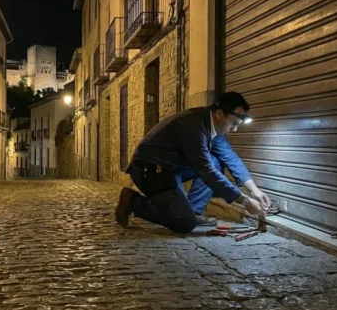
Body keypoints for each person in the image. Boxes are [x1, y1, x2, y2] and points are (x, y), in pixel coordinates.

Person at [115, 91, 270, 233]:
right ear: (219, 113)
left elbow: (230, 157)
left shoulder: (212, 126)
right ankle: (133, 201)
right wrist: (244, 201)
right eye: (233, 124)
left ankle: (193, 212)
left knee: (217, 161)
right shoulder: (194, 126)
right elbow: (206, 170)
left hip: (171, 168)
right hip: (150, 170)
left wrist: (255, 191)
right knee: (183, 223)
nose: (234, 129)